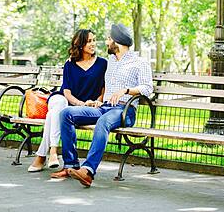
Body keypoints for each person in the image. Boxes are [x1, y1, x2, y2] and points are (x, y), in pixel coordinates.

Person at [50, 23, 153, 188]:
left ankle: (88, 171)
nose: (105, 42)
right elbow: (102, 83)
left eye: (108, 39)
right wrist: (99, 100)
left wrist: (126, 90)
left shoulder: (139, 62)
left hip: (125, 110)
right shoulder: (110, 61)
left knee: (103, 121)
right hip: (104, 107)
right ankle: (71, 165)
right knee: (66, 113)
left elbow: (148, 88)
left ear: (117, 41)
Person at [28, 29, 107, 172]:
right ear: (80, 44)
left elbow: (103, 88)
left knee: (53, 115)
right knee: (59, 106)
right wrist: (82, 104)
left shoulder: (102, 63)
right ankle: (52, 151)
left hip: (82, 108)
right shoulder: (70, 64)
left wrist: (96, 101)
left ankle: (42, 155)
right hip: (63, 99)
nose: (93, 44)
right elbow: (67, 93)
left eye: (94, 40)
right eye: (89, 41)